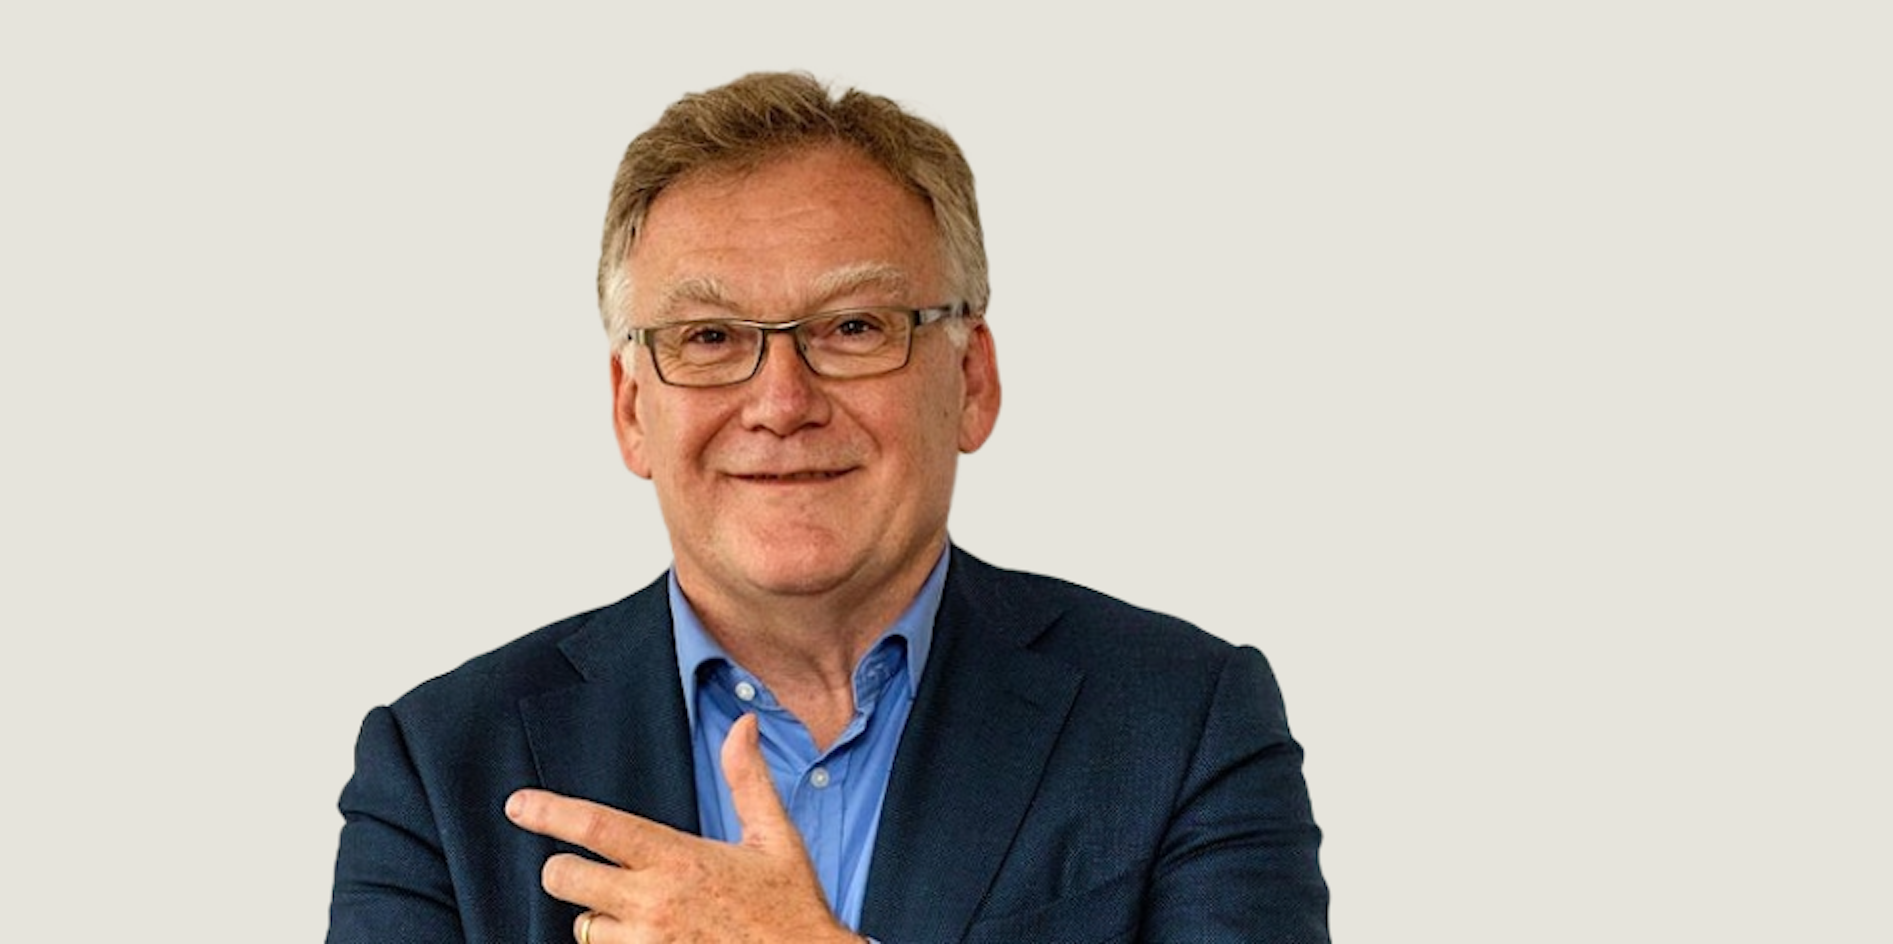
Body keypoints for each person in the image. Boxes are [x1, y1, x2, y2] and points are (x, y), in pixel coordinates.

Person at [327, 72, 1327, 944]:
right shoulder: (441, 767)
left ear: (971, 379)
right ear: (633, 410)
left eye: (854, 326)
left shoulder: (1180, 721)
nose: (782, 401)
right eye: (710, 336)